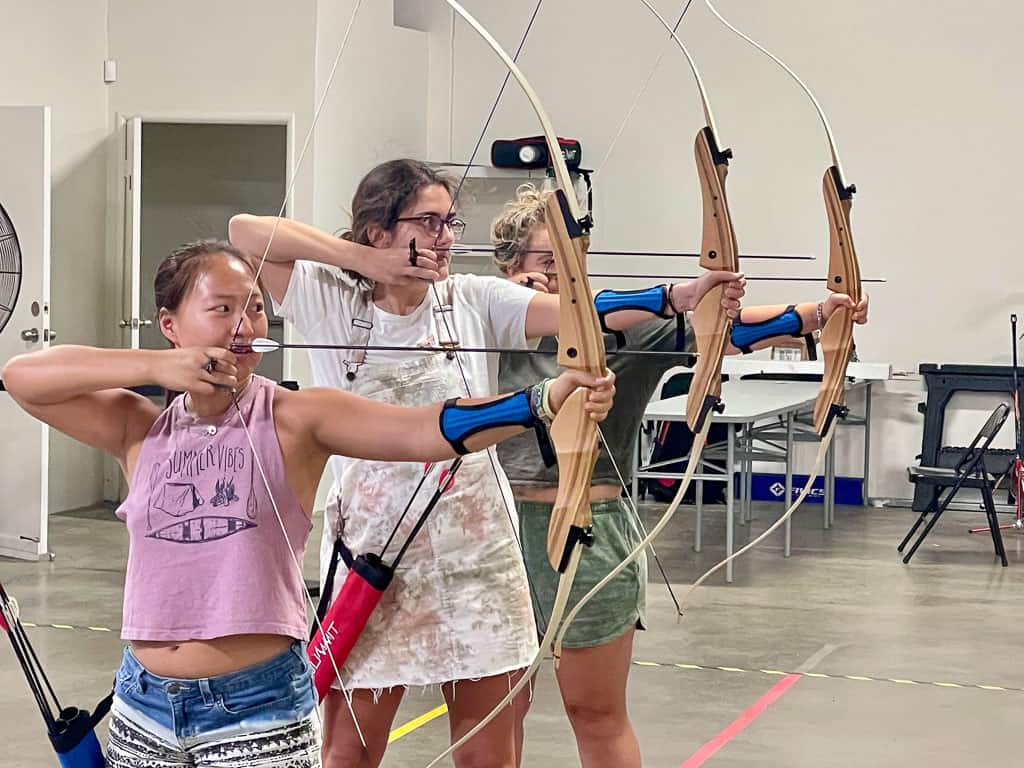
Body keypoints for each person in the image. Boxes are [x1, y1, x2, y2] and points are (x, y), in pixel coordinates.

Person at [0, 239, 615, 768]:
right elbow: (22, 374)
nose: (245, 328)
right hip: (143, 704)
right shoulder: (138, 426)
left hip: (257, 706)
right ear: (171, 324)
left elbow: (427, 430)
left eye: (255, 310)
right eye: (221, 311)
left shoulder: (295, 417)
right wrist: (159, 366)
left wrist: (544, 399)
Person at [228, 158, 744, 768]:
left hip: (478, 557)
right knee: (347, 750)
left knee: (487, 749)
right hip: (372, 555)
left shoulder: (472, 298)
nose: (448, 236)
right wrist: (366, 265)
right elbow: (244, 230)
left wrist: (675, 296)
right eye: (430, 221)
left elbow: (585, 310)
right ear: (378, 229)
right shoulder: (325, 296)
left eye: (451, 221)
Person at [491, 184, 870, 768]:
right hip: (492, 531)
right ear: (512, 265)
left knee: (594, 712)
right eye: (546, 262)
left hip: (588, 533)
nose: (558, 276)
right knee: (497, 712)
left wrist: (819, 315)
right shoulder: (477, 321)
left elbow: (728, 332)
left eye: (570, 263)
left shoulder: (614, 326)